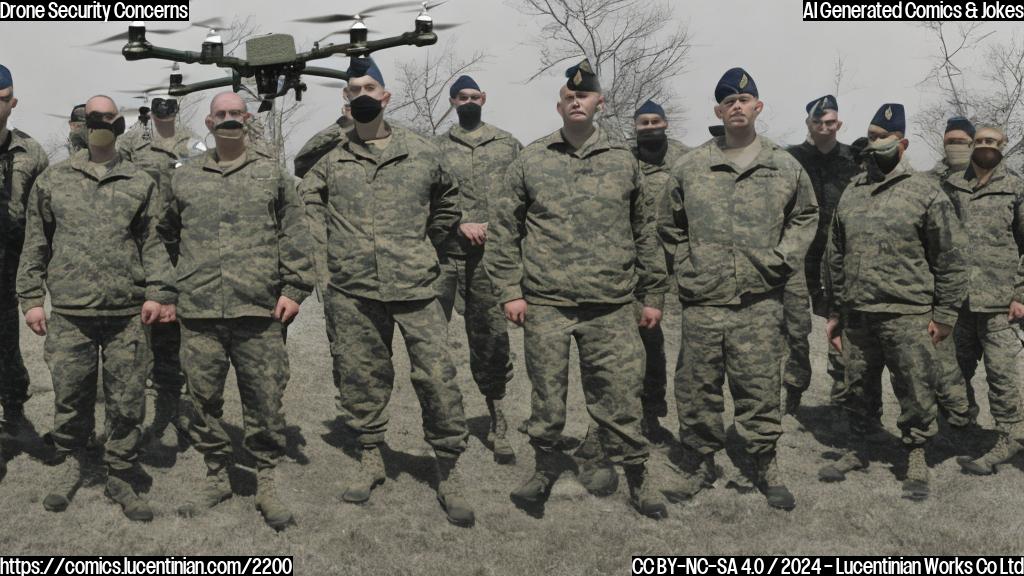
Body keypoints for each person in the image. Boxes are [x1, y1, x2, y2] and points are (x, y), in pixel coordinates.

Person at [486, 59, 669, 519]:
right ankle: (544, 469)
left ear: (599, 103)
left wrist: (652, 296)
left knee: (619, 396)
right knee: (547, 396)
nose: (576, 101)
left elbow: (645, 232)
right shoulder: (532, 158)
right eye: (569, 96)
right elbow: (504, 229)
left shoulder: (624, 161)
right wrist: (510, 289)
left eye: (584, 96)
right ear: (559, 105)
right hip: (547, 302)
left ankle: (636, 476)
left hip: (610, 304)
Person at [299, 58, 475, 528]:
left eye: (370, 87)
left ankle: (449, 465)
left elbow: (449, 203)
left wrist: (423, 247)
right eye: (353, 88)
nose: (362, 94)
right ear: (345, 98)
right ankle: (371, 455)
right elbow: (307, 201)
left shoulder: (421, 150)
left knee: (436, 377)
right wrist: (325, 266)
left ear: (386, 96)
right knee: (361, 377)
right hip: (353, 289)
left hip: (416, 285)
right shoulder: (331, 158)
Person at [660, 68, 817, 510]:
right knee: (697, 387)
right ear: (718, 110)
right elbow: (668, 223)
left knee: (760, 386)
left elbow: (806, 216)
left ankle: (763, 462)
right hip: (704, 300)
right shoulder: (692, 165)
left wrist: (782, 258)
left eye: (744, 100)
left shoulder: (783, 164)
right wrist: (689, 265)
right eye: (728, 100)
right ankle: (700, 462)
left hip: (759, 301)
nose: (736, 106)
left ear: (758, 107)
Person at [16, 94, 176, 521]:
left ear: (120, 123)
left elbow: (154, 243)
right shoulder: (53, 179)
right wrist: (31, 299)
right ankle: (69, 463)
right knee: (71, 395)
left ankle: (120, 472)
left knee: (127, 400)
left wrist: (159, 293)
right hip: (71, 311)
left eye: (107, 116)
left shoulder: (140, 182)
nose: (99, 123)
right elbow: (36, 243)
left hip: (126, 312)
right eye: (92, 117)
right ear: (81, 125)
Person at [161, 92, 314, 530]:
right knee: (203, 398)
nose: (229, 121)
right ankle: (217, 474)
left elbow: (295, 233)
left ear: (247, 120)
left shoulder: (272, 175)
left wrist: (295, 288)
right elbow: (166, 234)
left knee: (265, 398)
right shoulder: (184, 179)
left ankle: (266, 478)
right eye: (221, 115)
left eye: (236, 114)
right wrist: (176, 286)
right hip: (201, 309)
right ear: (208, 124)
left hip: (259, 308)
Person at [824, 103, 967, 500]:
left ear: (901, 143)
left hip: (909, 313)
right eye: (870, 137)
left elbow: (951, 257)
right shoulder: (853, 191)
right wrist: (835, 310)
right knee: (857, 386)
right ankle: (859, 447)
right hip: (858, 313)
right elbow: (835, 252)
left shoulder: (925, 191)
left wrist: (946, 315)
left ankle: (916, 454)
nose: (875, 144)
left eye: (882, 138)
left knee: (916, 390)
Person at [435, 75, 521, 464]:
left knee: (491, 338)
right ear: (452, 101)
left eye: (475, 96)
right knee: (431, 342)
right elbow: (425, 200)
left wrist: (496, 228)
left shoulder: (507, 145)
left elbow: (521, 196)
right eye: (462, 97)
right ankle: (442, 421)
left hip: (490, 257)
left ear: (484, 98)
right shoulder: (435, 148)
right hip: (444, 256)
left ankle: (497, 418)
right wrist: (457, 224)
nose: (469, 101)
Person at [118, 96, 198, 447]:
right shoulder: (135, 145)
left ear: (176, 111)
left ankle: (191, 409)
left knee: (191, 331)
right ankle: (162, 404)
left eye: (170, 106)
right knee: (156, 330)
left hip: (188, 247)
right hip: (150, 246)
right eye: (158, 107)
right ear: (151, 112)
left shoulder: (194, 143)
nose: (164, 112)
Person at [946, 125, 1024, 475]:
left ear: (1002, 146)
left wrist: (1020, 294)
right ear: (972, 145)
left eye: (993, 142)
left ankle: (1010, 437)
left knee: (1001, 376)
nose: (986, 147)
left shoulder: (1015, 187)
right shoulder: (952, 185)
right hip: (960, 301)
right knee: (954, 373)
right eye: (980, 141)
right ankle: (965, 429)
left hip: (999, 303)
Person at [783, 95, 860, 414]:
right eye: (818, 122)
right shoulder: (791, 159)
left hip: (837, 257)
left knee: (838, 324)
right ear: (809, 124)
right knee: (795, 329)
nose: (825, 128)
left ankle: (840, 396)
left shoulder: (853, 160)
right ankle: (794, 390)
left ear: (839, 124)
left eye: (831, 122)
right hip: (800, 256)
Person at [631, 99, 688, 443]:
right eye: (643, 122)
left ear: (666, 123)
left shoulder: (685, 159)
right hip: (635, 264)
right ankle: (641, 413)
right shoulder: (623, 159)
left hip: (676, 263)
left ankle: (661, 413)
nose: (650, 127)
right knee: (644, 336)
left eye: (656, 121)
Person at [0, 64, 48, 447]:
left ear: (13, 102)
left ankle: (13, 411)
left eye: (1, 100)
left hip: (10, 264)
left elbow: (44, 214)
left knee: (6, 343)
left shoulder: (30, 151)